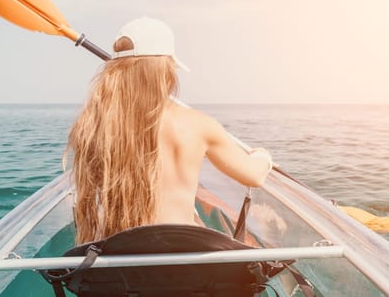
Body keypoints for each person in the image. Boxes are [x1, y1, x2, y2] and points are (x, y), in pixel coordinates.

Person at [66, 17, 273, 244]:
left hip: (123, 259)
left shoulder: (93, 125)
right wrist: (262, 156)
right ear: (166, 69)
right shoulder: (198, 124)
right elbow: (253, 176)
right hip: (182, 254)